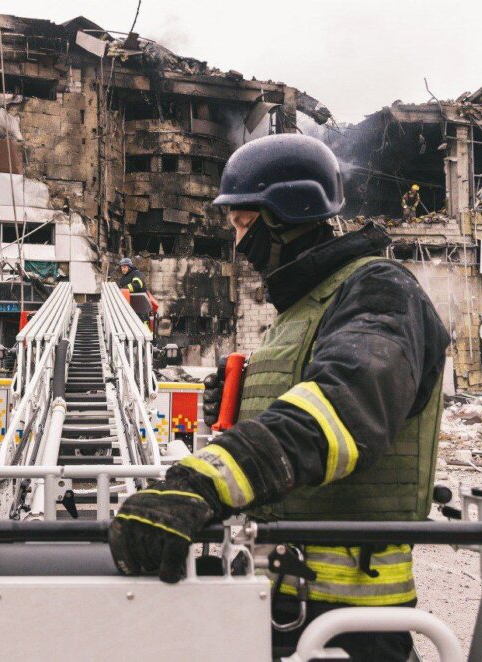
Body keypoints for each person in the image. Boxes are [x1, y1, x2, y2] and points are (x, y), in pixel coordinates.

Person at [109, 134, 449, 662]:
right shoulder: (303, 310)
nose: (238, 241)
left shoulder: (379, 290)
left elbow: (346, 406)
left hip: (347, 627)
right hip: (283, 601)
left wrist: (203, 481)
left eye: (244, 224)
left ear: (286, 217)